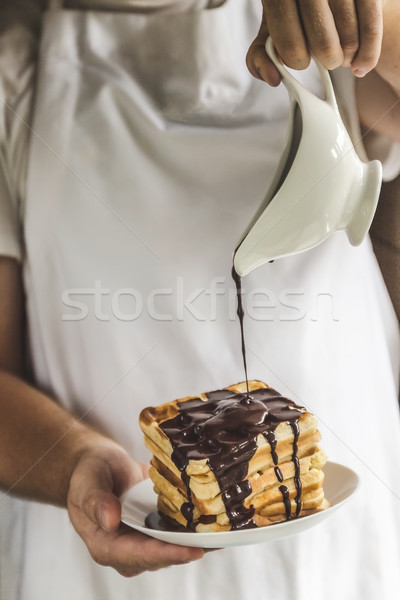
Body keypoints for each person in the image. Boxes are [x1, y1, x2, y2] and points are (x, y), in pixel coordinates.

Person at [1, 0, 400, 598]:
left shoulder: (312, 27)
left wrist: (378, 19)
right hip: (105, 555)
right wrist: (76, 462)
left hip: (338, 540)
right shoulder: (14, 68)